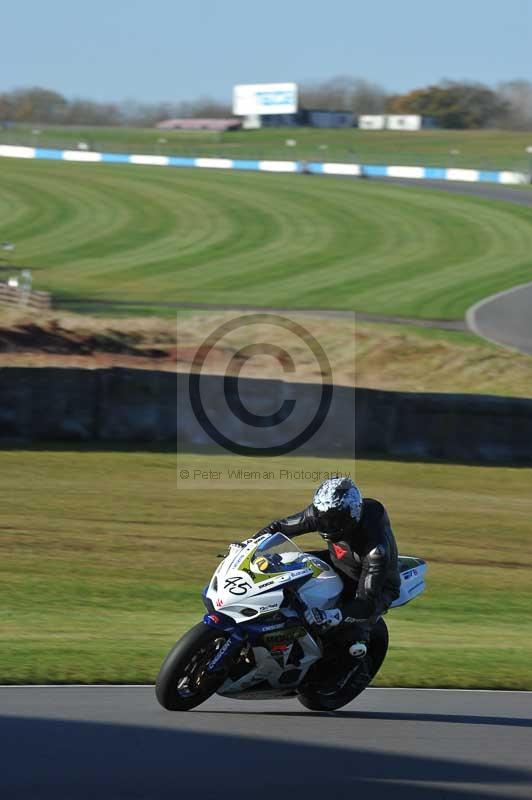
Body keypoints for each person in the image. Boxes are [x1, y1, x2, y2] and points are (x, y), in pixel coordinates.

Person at [255, 476, 400, 661]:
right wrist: (249, 544)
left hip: (375, 584)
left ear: (351, 516)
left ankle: (344, 666)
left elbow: (366, 602)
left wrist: (333, 614)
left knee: (350, 637)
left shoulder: (375, 550)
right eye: (322, 519)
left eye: (333, 521)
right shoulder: (324, 510)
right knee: (284, 566)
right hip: (337, 561)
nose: (325, 525)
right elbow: (280, 527)